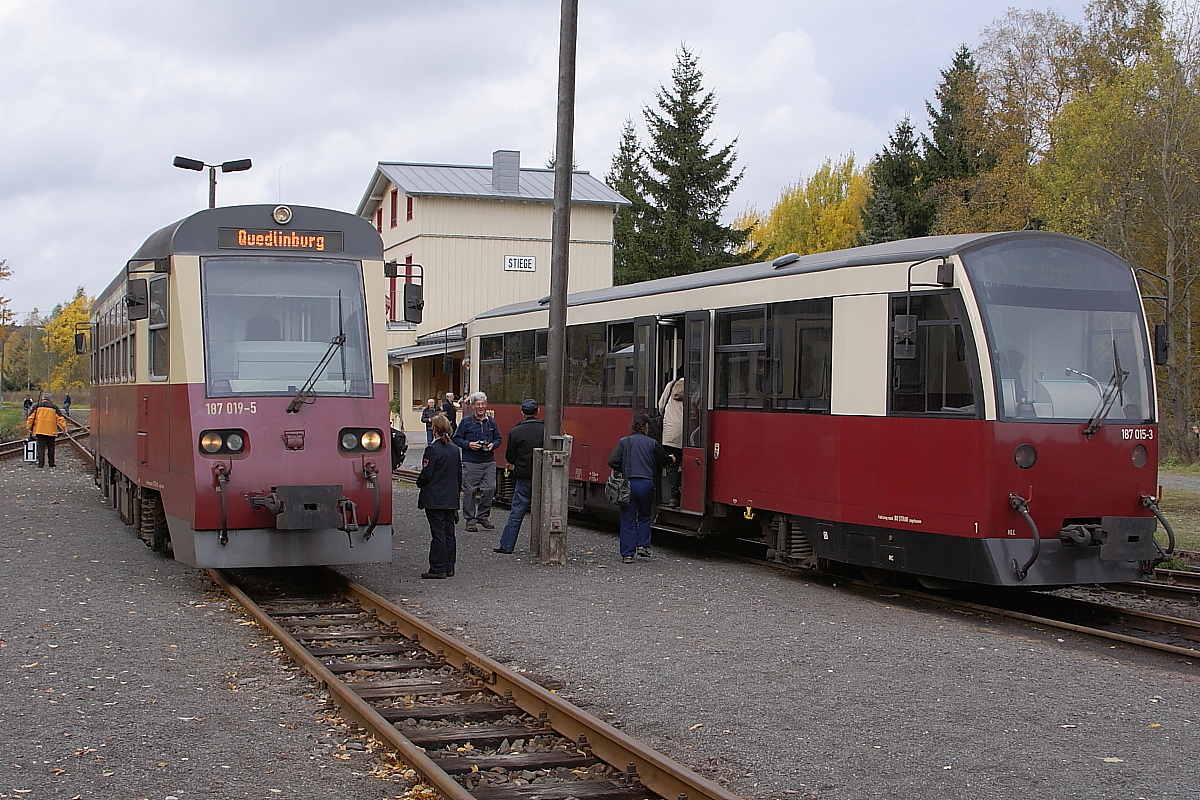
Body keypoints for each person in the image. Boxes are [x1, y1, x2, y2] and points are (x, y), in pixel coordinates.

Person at [608, 412, 673, 563]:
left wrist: (623, 468)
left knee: (627, 518)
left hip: (628, 484)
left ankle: (627, 554)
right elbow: (663, 459)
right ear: (646, 427)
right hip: (646, 484)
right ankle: (643, 546)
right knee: (644, 516)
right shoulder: (652, 443)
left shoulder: (625, 442)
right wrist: (671, 458)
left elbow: (612, 461)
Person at [495, 399, 545, 554]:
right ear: (538, 411)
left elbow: (510, 457)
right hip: (544, 476)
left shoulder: (516, 432)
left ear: (522, 412)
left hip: (524, 476)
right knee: (546, 511)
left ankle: (507, 545)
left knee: (517, 512)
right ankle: (544, 547)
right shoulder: (546, 429)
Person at [416, 415, 462, 579]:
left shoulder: (432, 449)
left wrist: (419, 483)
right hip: (450, 498)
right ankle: (450, 566)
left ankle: (438, 567)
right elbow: (458, 475)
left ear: (433, 429)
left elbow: (427, 474)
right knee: (449, 533)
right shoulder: (455, 449)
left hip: (435, 498)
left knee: (438, 533)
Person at [453, 391, 502, 532]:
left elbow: (498, 438)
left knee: (490, 488)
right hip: (471, 461)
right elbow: (456, 438)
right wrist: (469, 444)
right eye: (478, 404)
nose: (481, 406)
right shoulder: (466, 422)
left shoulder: (491, 421)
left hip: (488, 461)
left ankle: (483, 516)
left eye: (483, 404)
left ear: (486, 405)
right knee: (470, 491)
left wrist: (493, 444)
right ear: (473, 406)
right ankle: (470, 520)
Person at [657, 377, 685, 507]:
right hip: (686, 432)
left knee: (673, 464)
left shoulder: (671, 385)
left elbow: (661, 406)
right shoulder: (695, 387)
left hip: (670, 433)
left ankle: (674, 497)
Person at [25, 392, 67, 468]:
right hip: (51, 431)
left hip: (39, 430)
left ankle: (41, 464)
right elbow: (60, 418)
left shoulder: (36, 407)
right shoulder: (54, 407)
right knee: (51, 447)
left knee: (41, 447)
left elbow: (30, 418)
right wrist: (64, 428)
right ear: (50, 399)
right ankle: (51, 463)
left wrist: (29, 428)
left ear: (42, 398)